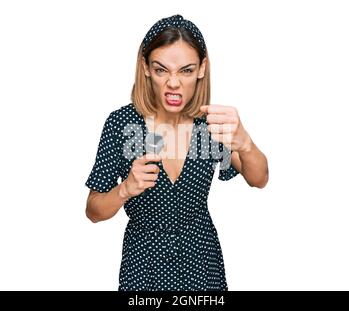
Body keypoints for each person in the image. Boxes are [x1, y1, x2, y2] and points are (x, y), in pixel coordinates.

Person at [85, 14, 268, 291]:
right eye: (161, 70)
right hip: (143, 265)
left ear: (201, 69)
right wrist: (126, 188)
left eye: (185, 70)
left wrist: (244, 141)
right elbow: (93, 211)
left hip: (202, 262)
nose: (173, 83)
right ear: (145, 67)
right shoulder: (122, 124)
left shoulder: (212, 124)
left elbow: (259, 179)